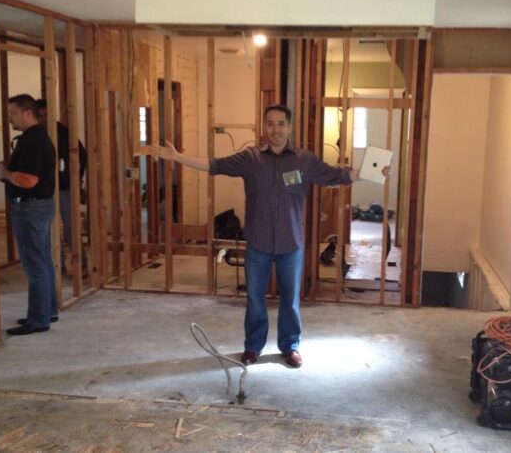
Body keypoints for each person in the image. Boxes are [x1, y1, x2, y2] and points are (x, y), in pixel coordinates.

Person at [140, 104, 389, 368]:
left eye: (281, 124)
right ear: (264, 127)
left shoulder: (304, 161)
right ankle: (253, 346)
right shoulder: (250, 159)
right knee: (255, 297)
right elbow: (214, 165)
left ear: (289, 127)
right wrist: (178, 157)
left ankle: (290, 346)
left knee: (290, 298)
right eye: (270, 123)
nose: (276, 129)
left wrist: (371, 174)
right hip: (258, 242)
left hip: (290, 242)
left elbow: (337, 175)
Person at [0, 94, 57, 335]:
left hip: (30, 208)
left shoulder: (32, 141)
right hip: (38, 206)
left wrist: (5, 175)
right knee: (42, 261)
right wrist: (9, 170)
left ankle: (39, 320)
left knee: (35, 266)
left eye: (13, 113)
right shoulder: (36, 138)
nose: (10, 117)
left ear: (27, 113)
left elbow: (29, 180)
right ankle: (47, 311)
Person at [35, 99, 89, 278]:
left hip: (65, 187)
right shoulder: (36, 134)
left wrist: (76, 179)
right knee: (49, 229)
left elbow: (83, 155)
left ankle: (81, 266)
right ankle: (57, 267)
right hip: (44, 190)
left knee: (71, 228)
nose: (43, 119)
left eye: (46, 115)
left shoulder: (63, 132)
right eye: (40, 116)